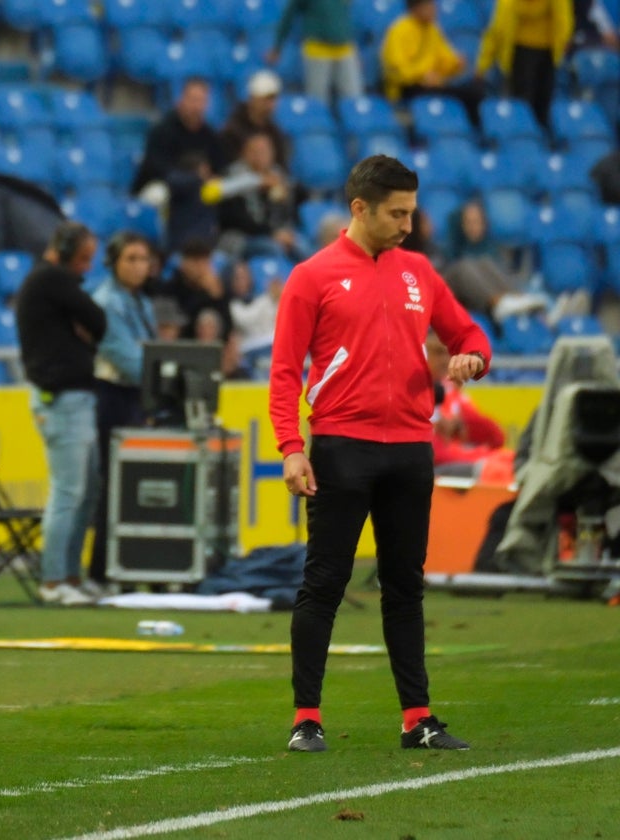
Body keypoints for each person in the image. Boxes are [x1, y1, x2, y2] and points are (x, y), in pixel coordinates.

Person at [269, 154, 492, 754]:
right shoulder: (311, 277)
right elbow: (285, 373)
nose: (408, 225)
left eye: (413, 212)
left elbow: (468, 334)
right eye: (397, 213)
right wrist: (292, 449)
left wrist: (474, 357)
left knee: (405, 588)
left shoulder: (419, 271)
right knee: (325, 584)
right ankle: (306, 719)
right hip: (342, 450)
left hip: (411, 453)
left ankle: (417, 718)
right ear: (359, 209)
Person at [14, 221, 106, 606]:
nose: (86, 268)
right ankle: (53, 581)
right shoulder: (51, 278)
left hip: (74, 399)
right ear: (65, 250)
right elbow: (97, 320)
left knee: (85, 493)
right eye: (83, 259)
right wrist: (81, 331)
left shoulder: (49, 281)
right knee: (69, 493)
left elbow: (92, 323)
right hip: (62, 400)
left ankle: (70, 575)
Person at [86, 231, 156, 591]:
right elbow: (129, 361)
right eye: (130, 258)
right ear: (113, 263)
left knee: (131, 485)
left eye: (143, 259)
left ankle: (126, 566)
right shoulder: (107, 302)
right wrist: (163, 375)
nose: (138, 266)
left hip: (133, 395)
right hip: (111, 394)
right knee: (113, 485)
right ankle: (101, 571)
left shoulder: (139, 302)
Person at [381, 0, 484, 125]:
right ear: (416, 8)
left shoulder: (433, 30)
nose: (434, 10)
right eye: (429, 6)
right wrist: (421, 76)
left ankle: (470, 136)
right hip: (407, 88)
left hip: (433, 85)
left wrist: (456, 64)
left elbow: (444, 59)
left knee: (474, 92)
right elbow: (394, 71)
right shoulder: (399, 31)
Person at [477, 0, 574, 127]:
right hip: (528, 54)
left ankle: (532, 141)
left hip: (537, 54)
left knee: (532, 108)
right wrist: (482, 65)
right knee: (530, 107)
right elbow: (497, 30)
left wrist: (483, 64)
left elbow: (497, 29)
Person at [130, 77, 226, 203]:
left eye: (201, 101)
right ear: (181, 100)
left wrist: (212, 177)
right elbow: (157, 168)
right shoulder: (162, 130)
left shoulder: (209, 134)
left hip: (198, 189)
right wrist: (192, 176)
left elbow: (219, 166)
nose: (196, 107)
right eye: (193, 100)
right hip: (164, 187)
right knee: (158, 194)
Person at [425, 330, 506, 470]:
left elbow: (496, 437)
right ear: (423, 355)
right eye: (438, 353)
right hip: (435, 466)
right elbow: (432, 451)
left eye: (447, 353)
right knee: (496, 469)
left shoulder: (451, 391)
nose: (445, 360)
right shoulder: (410, 393)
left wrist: (461, 423)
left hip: (455, 460)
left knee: (509, 459)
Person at [215, 132, 304, 261]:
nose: (261, 156)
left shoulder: (278, 176)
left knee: (304, 246)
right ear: (245, 153)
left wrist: (285, 198)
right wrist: (272, 234)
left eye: (265, 151)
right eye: (256, 151)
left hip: (275, 233)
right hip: (241, 238)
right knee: (274, 248)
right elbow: (236, 219)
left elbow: (289, 213)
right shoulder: (234, 178)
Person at [269, 0, 363, 105]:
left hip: (344, 48)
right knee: (317, 101)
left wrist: (355, 51)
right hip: (318, 49)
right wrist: (277, 46)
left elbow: (344, 18)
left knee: (354, 98)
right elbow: (289, 15)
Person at [218, 70, 291, 170]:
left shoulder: (274, 132)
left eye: (273, 99)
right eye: (266, 99)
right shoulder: (232, 130)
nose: (270, 105)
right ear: (253, 98)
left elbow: (281, 165)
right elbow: (227, 166)